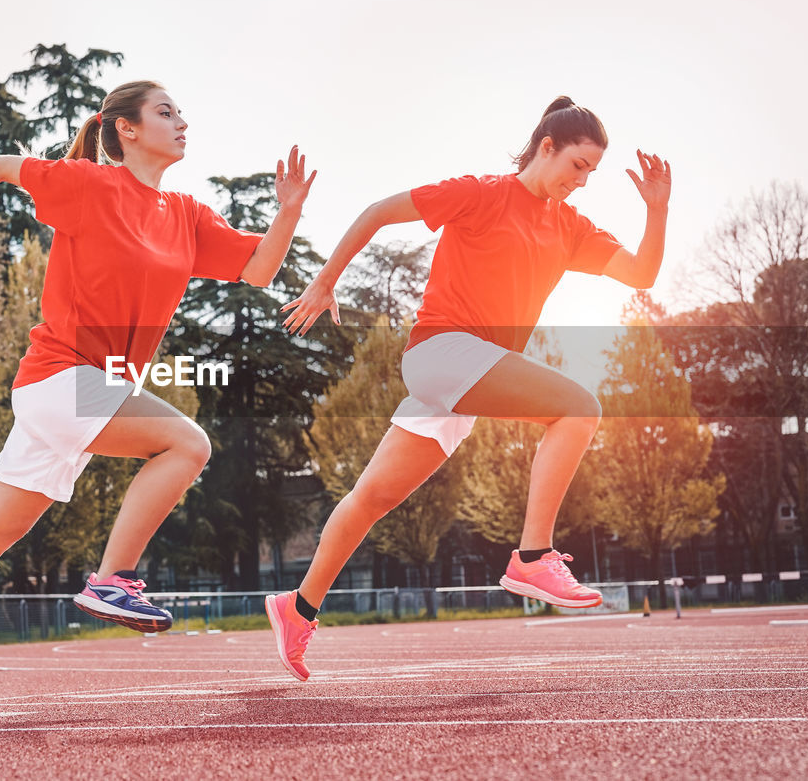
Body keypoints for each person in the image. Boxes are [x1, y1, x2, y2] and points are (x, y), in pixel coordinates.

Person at [0, 80, 316, 713]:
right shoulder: (90, 186)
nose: (181, 121)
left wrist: (289, 212)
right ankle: (113, 579)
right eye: (165, 112)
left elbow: (258, 270)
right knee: (186, 443)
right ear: (127, 129)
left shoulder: (187, 215)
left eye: (181, 112)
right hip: (61, 376)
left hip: (86, 389)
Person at [267, 96, 670, 681]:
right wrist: (325, 283)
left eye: (592, 174)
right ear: (547, 146)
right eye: (577, 166)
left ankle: (297, 607)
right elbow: (379, 211)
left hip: (466, 374)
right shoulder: (480, 193)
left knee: (370, 500)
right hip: (440, 353)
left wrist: (657, 211)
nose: (581, 183)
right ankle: (533, 556)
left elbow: (642, 275)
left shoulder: (570, 227)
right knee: (579, 408)